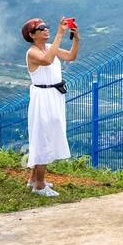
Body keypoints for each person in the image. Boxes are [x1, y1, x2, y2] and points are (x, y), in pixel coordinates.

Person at [21, 16, 79, 196]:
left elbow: (70, 56)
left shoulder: (48, 48)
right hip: (43, 96)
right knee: (43, 136)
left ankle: (33, 179)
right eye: (41, 28)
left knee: (46, 134)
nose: (46, 29)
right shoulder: (33, 52)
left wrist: (76, 38)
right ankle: (39, 185)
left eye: (47, 27)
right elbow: (46, 60)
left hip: (54, 95)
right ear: (32, 35)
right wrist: (60, 34)